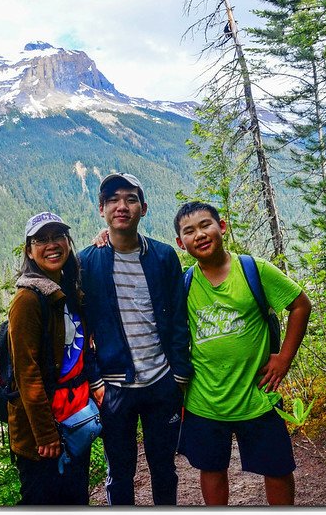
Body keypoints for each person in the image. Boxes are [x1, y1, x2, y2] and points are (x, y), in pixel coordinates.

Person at [173, 201, 312, 505]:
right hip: (204, 399)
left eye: (205, 225)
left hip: (258, 395)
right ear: (180, 243)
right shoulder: (183, 283)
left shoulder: (254, 270)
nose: (199, 234)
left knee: (276, 468)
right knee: (211, 468)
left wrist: (284, 358)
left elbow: (301, 304)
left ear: (221, 227)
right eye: (189, 231)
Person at [79, 173, 193, 505]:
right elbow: (80, 328)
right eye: (113, 200)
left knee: (164, 468)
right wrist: (96, 380)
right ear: (102, 210)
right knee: (120, 472)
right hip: (114, 389)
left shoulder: (162, 256)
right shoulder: (88, 262)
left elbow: (177, 318)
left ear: (143, 208)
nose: (121, 206)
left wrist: (180, 374)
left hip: (161, 383)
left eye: (130, 199)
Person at [7, 211, 98, 505]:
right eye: (41, 239)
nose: (52, 244)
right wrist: (45, 436)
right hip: (42, 435)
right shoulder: (28, 300)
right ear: (29, 251)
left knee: (76, 500)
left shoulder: (68, 288)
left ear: (68, 242)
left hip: (74, 419)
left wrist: (104, 238)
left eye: (58, 236)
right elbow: (27, 375)